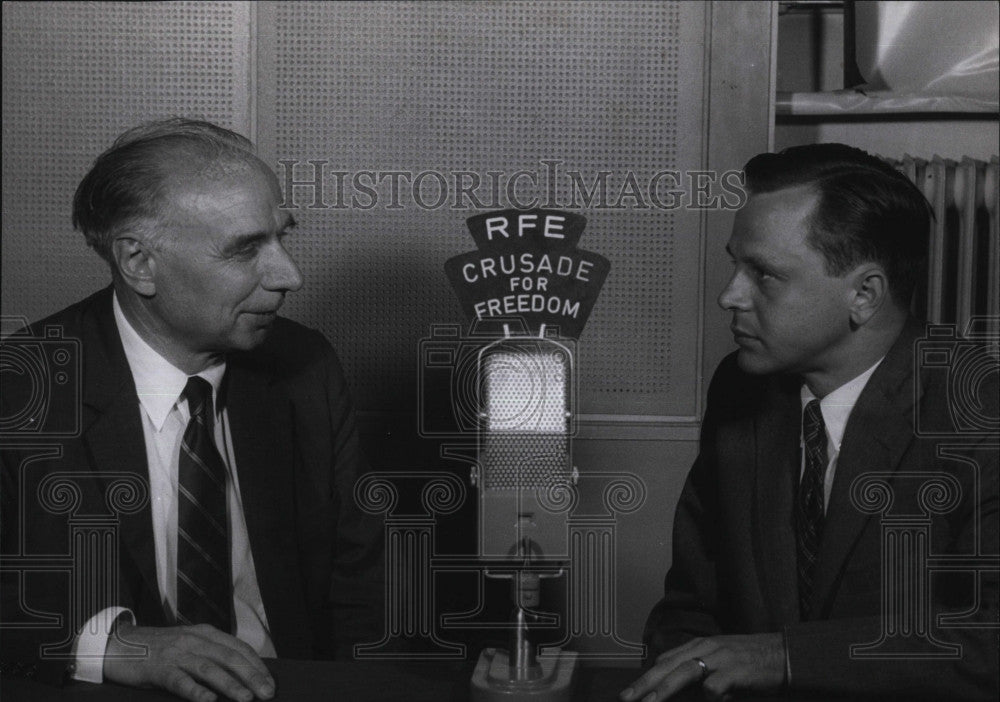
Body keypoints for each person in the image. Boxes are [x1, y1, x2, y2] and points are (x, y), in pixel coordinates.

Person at [0, 119, 384, 702]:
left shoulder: (306, 368)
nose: (289, 276)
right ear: (139, 262)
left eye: (283, 237)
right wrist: (110, 646)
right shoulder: (20, 391)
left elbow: (360, 586)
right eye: (246, 249)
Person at [623, 144, 998, 701]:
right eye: (735, 264)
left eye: (765, 275)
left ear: (864, 295)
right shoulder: (740, 387)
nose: (731, 295)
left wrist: (785, 656)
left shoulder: (981, 414)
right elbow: (689, 611)